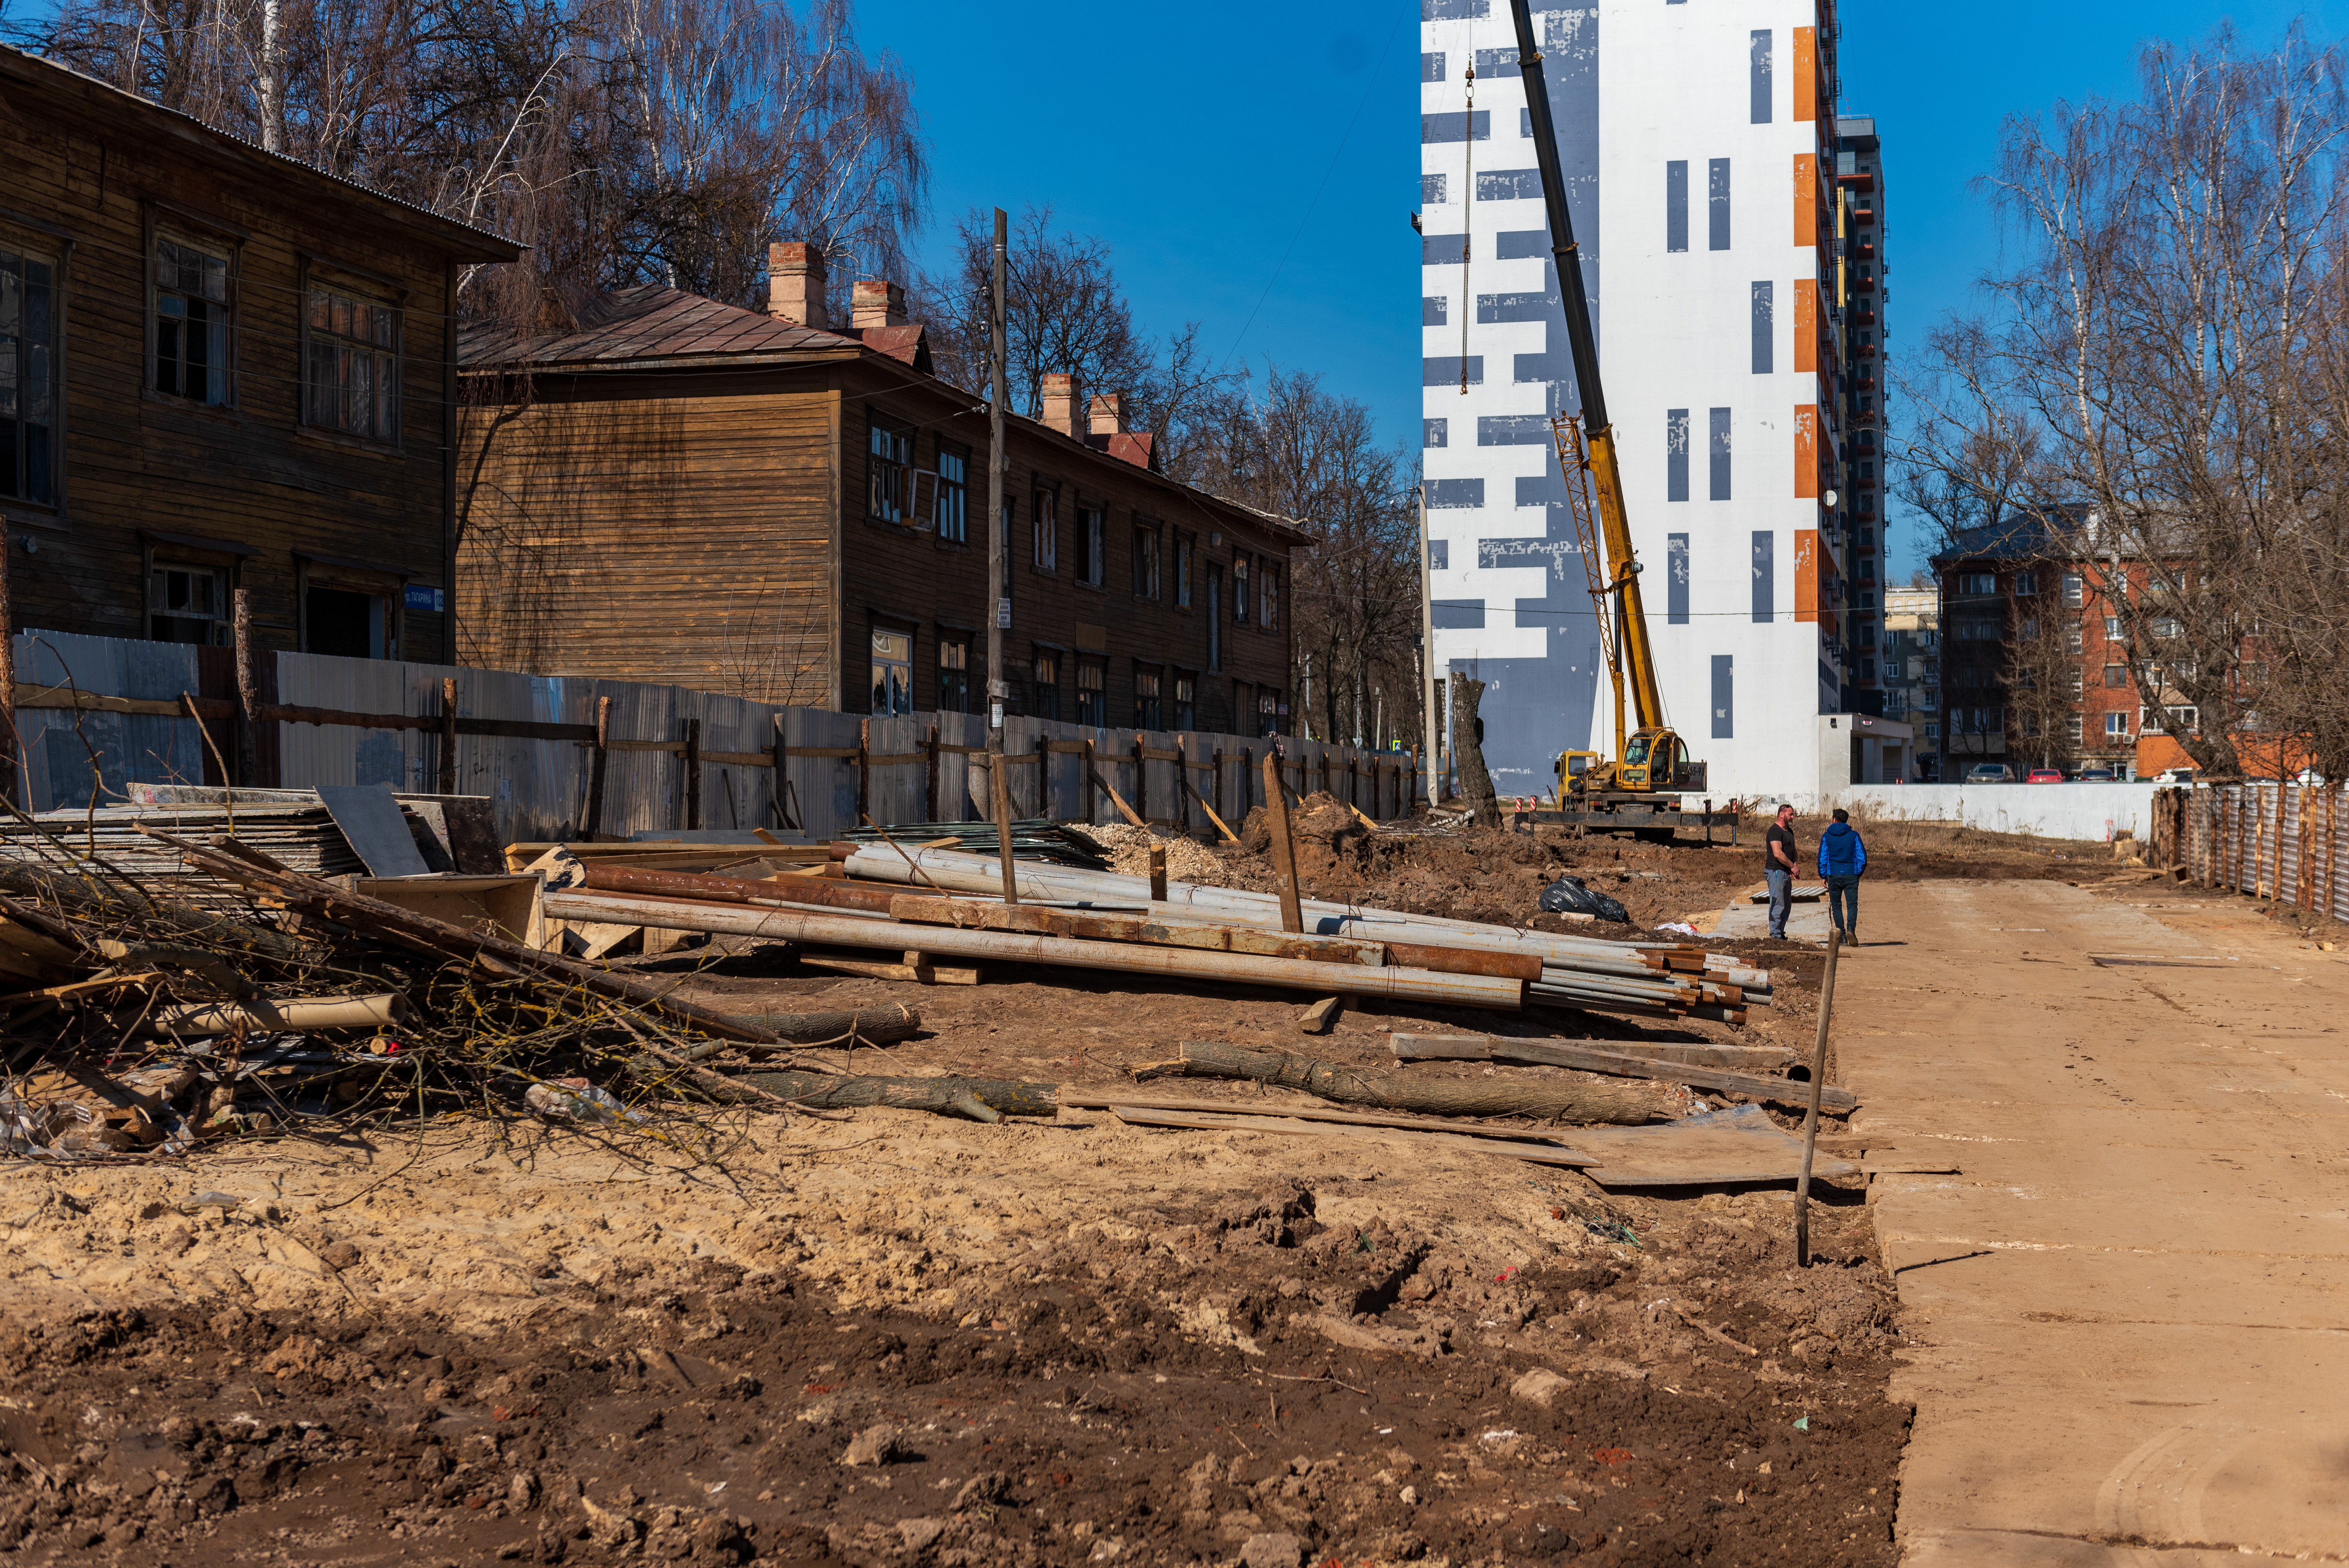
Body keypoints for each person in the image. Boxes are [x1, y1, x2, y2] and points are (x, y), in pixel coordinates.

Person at [1818, 806, 1868, 945]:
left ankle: (1842, 935)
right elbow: (1862, 858)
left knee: (1836, 906)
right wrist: (1857, 873)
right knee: (1852, 905)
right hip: (1851, 873)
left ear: (1834, 820)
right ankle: (1851, 929)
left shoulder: (1827, 837)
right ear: (1846, 821)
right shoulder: (1854, 836)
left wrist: (1823, 875)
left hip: (1833, 874)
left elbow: (1823, 857)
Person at [1764, 803, 1798, 940]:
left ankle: (1780, 933)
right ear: (1782, 815)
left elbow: (1794, 850)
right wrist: (1792, 866)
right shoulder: (1775, 831)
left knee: (1787, 906)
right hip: (1776, 872)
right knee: (1778, 903)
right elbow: (1778, 854)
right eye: (1791, 815)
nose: (1793, 817)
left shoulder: (1789, 832)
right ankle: (1775, 935)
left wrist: (1794, 867)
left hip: (1786, 872)